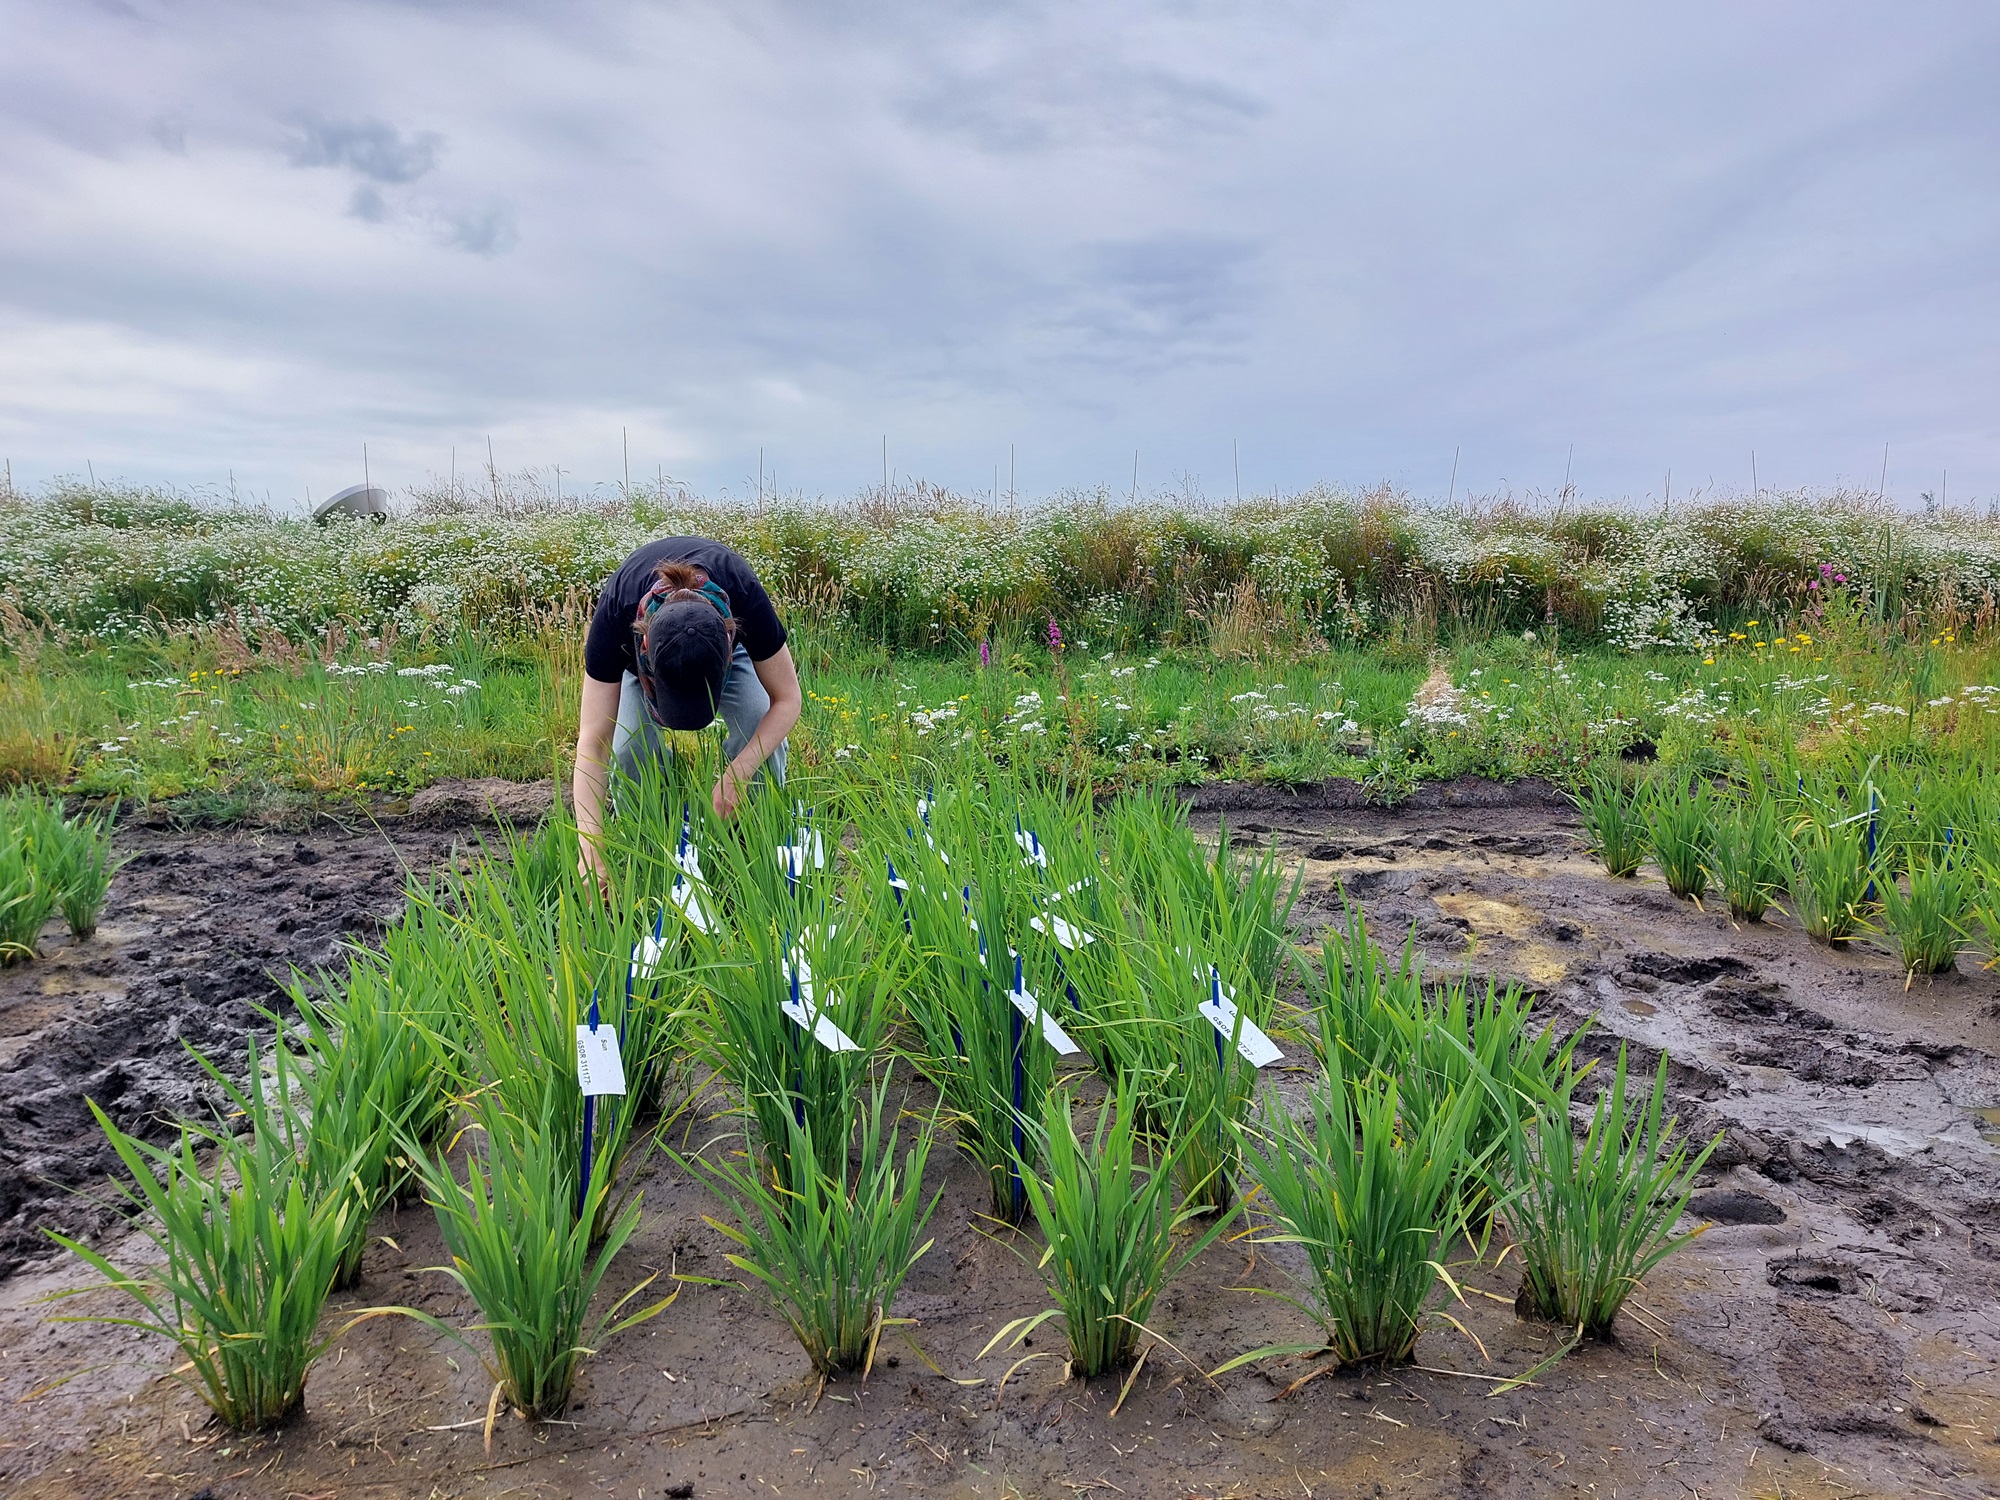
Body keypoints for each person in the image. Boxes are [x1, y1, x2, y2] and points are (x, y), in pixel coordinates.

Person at [573, 536, 802, 891]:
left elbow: (787, 700)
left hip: (721, 653)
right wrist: (590, 850)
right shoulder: (618, 610)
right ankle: (653, 843)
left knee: (758, 720)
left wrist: (738, 773)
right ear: (645, 644)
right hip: (641, 664)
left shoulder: (742, 593)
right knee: (628, 748)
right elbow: (593, 743)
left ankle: (755, 841)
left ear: (731, 638)